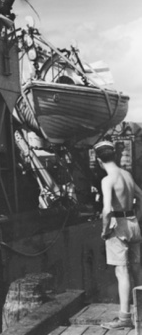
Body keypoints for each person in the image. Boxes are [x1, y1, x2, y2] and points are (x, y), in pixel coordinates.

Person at [95, 140, 142, 329]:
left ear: (99, 160)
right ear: (114, 155)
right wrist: (137, 217)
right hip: (133, 224)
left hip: (118, 227)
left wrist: (105, 231)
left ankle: (124, 319)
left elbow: (107, 210)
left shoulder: (107, 180)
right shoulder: (127, 175)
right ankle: (141, 313)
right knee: (137, 270)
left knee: (122, 272)